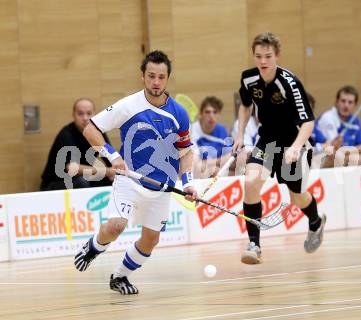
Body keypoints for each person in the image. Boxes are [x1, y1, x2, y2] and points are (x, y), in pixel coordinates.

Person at [74, 50, 197, 295]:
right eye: (151, 76)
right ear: (143, 76)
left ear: (167, 78)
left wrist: (188, 183)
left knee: (150, 240)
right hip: (129, 180)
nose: (156, 82)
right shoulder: (128, 105)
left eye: (161, 77)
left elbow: (186, 152)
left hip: (162, 187)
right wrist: (113, 156)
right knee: (116, 226)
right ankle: (94, 247)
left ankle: (120, 277)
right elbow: (90, 129)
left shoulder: (179, 113)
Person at [232, 32, 326, 265]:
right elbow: (245, 105)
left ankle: (315, 221)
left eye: (268, 56)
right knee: (251, 182)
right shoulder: (248, 79)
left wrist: (295, 148)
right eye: (258, 56)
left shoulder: (290, 83)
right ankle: (254, 245)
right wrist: (241, 134)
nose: (263, 61)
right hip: (267, 140)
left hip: (295, 142)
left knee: (297, 199)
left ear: (277, 56)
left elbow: (308, 122)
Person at [40, 98, 114, 191]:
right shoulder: (66, 134)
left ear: (94, 114)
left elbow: (111, 158)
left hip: (83, 178)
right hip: (55, 183)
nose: (85, 118)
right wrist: (107, 171)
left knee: (113, 180)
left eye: (89, 113)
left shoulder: (98, 133)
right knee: (82, 181)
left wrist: (116, 172)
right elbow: (72, 168)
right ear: (73, 115)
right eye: (80, 114)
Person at [316, 86, 361, 167]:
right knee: (360, 159)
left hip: (346, 156)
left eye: (350, 102)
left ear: (355, 105)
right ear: (336, 102)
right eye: (343, 101)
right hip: (323, 159)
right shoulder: (328, 118)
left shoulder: (355, 120)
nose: (346, 105)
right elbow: (335, 151)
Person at [191, 96, 233, 177]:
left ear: (219, 114)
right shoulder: (192, 131)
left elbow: (230, 157)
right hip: (199, 173)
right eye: (207, 112)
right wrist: (219, 161)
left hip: (218, 169)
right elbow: (196, 164)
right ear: (201, 114)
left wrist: (212, 163)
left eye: (215, 112)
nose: (211, 116)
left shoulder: (222, 131)